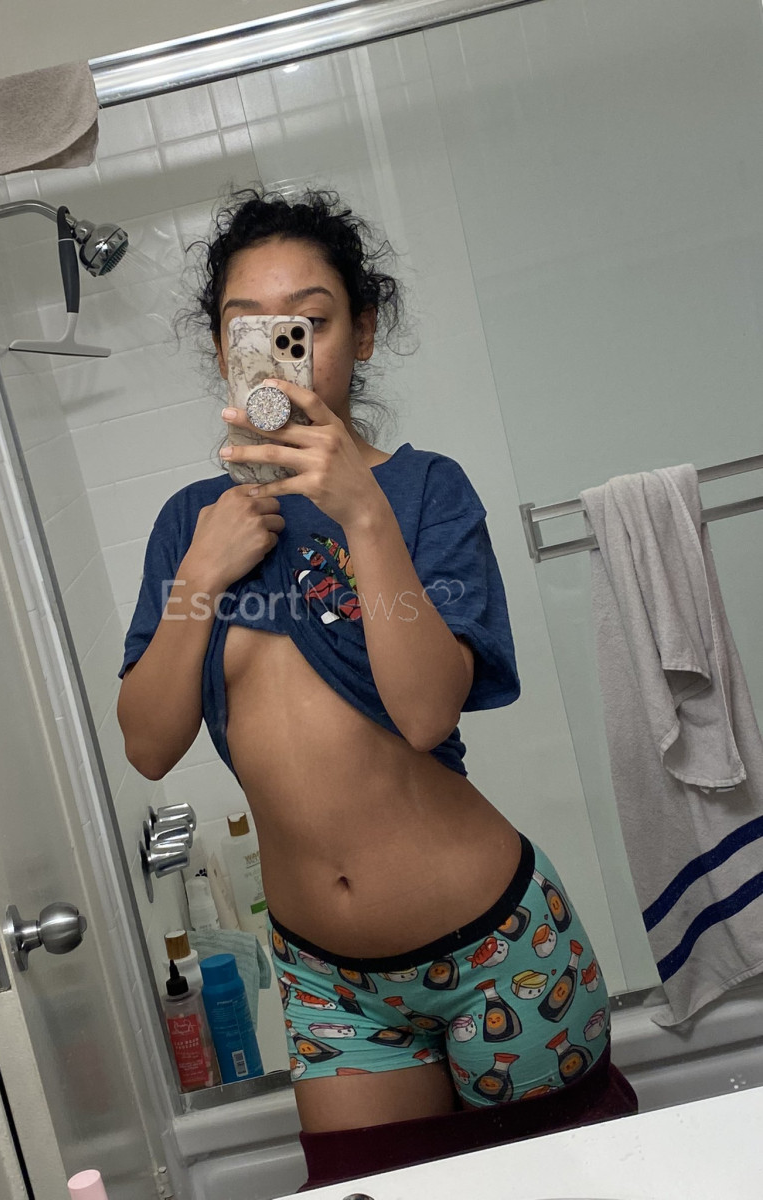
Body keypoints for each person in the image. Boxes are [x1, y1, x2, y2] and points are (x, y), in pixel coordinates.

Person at [117, 187, 636, 1185]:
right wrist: (199, 576)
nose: (281, 349)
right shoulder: (190, 526)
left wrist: (363, 514)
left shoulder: (425, 490)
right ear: (221, 348)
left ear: (362, 333)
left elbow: (427, 712)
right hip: (330, 983)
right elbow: (148, 743)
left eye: (308, 322)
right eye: (247, 325)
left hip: (497, 949)